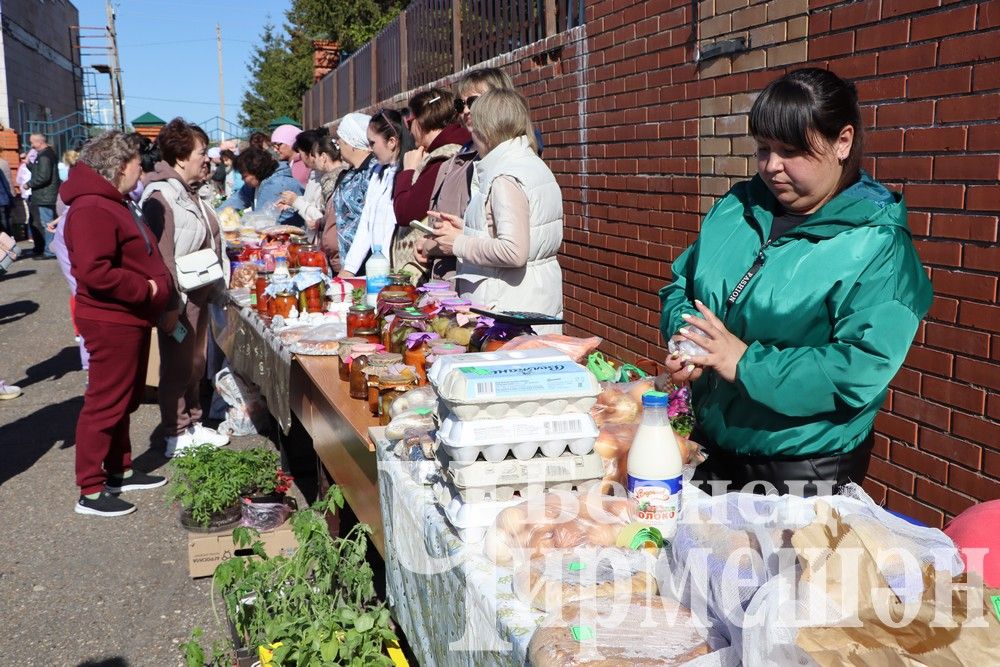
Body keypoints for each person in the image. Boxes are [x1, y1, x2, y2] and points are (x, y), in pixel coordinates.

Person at [659, 68, 933, 497]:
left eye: (790, 151)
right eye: (763, 149)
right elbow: (682, 285)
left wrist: (744, 363)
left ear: (843, 142)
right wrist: (689, 338)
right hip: (714, 444)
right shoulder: (736, 208)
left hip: (802, 466)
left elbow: (860, 366)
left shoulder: (877, 245)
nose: (772, 167)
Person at [62, 130, 174, 516]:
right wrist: (143, 287)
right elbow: (94, 272)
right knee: (105, 403)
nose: (141, 170)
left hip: (129, 317)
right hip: (112, 319)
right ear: (118, 166)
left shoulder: (114, 200)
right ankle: (90, 490)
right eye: (136, 164)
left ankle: (120, 470)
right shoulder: (93, 206)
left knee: (123, 400)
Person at [425, 89, 564, 333]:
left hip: (509, 312)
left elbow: (514, 251)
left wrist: (458, 244)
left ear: (485, 130)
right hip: (527, 301)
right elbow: (519, 233)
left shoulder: (505, 176)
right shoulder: (527, 164)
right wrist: (465, 229)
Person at [139, 118, 230, 458]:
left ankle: (192, 423)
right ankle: (175, 433)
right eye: (202, 152)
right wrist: (168, 307)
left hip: (199, 292)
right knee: (177, 365)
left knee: (195, 361)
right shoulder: (161, 197)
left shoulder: (187, 192)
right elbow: (160, 258)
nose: (208, 158)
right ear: (181, 157)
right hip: (179, 299)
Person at [417, 68, 517, 279]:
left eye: (473, 101)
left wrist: (434, 245)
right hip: (446, 289)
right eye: (459, 105)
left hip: (484, 291)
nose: (465, 111)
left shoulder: (513, 163)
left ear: (500, 100)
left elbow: (511, 246)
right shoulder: (450, 163)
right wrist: (428, 243)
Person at [390, 89, 471, 279]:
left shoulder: (443, 156)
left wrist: (408, 170)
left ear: (422, 120)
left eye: (410, 122)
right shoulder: (459, 146)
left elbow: (405, 212)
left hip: (438, 268)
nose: (409, 129)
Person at [338, 109, 413, 278]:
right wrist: (348, 269)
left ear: (392, 141)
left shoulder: (408, 171)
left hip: (401, 271)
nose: (370, 150)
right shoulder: (378, 172)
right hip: (378, 269)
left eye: (372, 143)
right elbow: (366, 223)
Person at [278, 130, 344, 253]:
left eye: (301, 153)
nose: (300, 159)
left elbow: (324, 217)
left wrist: (296, 201)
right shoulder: (315, 176)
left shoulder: (329, 179)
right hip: (316, 241)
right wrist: (292, 203)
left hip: (325, 245)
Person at [330, 113, 375, 269]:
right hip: (347, 260)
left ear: (352, 143)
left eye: (340, 140)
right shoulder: (350, 173)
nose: (338, 144)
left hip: (367, 261)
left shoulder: (372, 172)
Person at [219, 147, 304, 226]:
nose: (242, 179)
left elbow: (264, 222)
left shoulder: (277, 185)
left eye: (244, 176)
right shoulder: (257, 182)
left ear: (256, 171)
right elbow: (237, 199)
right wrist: (216, 216)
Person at [27, 133, 61, 258]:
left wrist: (28, 184)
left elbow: (43, 177)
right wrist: (28, 164)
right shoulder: (46, 154)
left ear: (39, 142)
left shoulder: (45, 156)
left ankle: (49, 250)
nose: (31, 145)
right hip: (46, 194)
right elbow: (40, 171)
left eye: (33, 142)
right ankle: (49, 249)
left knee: (48, 223)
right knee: (48, 222)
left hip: (45, 195)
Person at [0, 149, 14, 236]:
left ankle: (6, 241)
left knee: (3, 220)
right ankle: (9, 239)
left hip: (2, 198)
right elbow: (6, 183)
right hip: (4, 198)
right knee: (6, 219)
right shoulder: (3, 163)